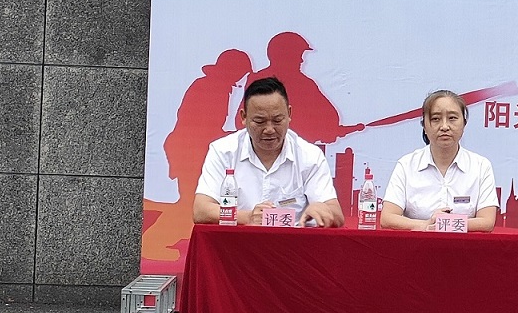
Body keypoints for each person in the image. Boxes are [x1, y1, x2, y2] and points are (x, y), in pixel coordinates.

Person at [194, 77, 344, 227]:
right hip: (239, 240)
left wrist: (321, 210)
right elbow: (201, 211)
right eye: (260, 121)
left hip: (292, 241)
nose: (269, 129)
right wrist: (247, 217)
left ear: (289, 114)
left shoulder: (310, 156)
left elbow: (337, 215)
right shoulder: (223, 151)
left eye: (277, 120)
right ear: (243, 117)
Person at [381, 89, 499, 232]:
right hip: (417, 244)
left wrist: (444, 224)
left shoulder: (480, 166)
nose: (444, 127)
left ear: (464, 124)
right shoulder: (406, 165)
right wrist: (426, 225)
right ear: (424, 126)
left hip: (464, 245)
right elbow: (387, 218)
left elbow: (486, 222)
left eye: (452, 118)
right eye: (436, 119)